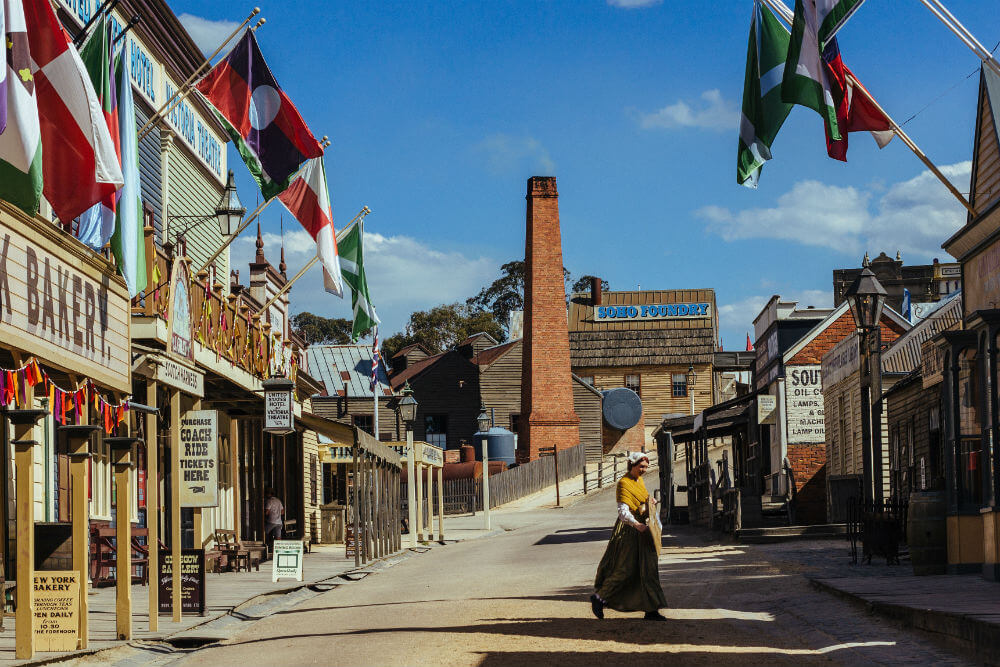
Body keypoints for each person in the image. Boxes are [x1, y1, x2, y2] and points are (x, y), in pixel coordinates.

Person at [590, 451, 667, 621]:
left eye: (646, 467)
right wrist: (636, 525)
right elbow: (623, 512)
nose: (644, 470)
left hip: (644, 531)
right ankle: (599, 597)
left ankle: (651, 609)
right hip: (629, 531)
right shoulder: (624, 484)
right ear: (632, 466)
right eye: (641, 466)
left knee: (649, 568)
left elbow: (642, 504)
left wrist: (649, 503)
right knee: (625, 568)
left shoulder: (639, 481)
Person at [264, 487, 284, 557]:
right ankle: (279, 551)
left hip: (271, 521)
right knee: (278, 537)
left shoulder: (269, 501)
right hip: (279, 522)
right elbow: (282, 512)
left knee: (264, 533)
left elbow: (267, 512)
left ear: (269, 494)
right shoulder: (278, 501)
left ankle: (266, 548)